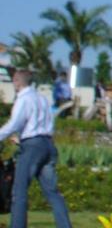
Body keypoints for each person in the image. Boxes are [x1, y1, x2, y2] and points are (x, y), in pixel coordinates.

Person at [0, 70, 73, 228]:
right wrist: (22, 139)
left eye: (14, 81)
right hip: (48, 144)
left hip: (32, 148)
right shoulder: (42, 99)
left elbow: (15, 123)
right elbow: (46, 124)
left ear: (17, 81)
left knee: (19, 193)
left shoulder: (24, 99)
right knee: (53, 193)